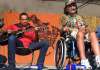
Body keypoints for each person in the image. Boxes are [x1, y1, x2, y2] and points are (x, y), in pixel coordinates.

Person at [60, 0, 100, 69]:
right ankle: (84, 60)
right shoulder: (64, 17)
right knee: (80, 33)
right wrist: (71, 28)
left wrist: (85, 28)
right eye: (70, 6)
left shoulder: (79, 17)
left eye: (74, 5)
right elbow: (62, 28)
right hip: (72, 34)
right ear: (66, 9)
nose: (73, 7)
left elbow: (84, 26)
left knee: (92, 33)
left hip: (83, 33)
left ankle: (98, 58)